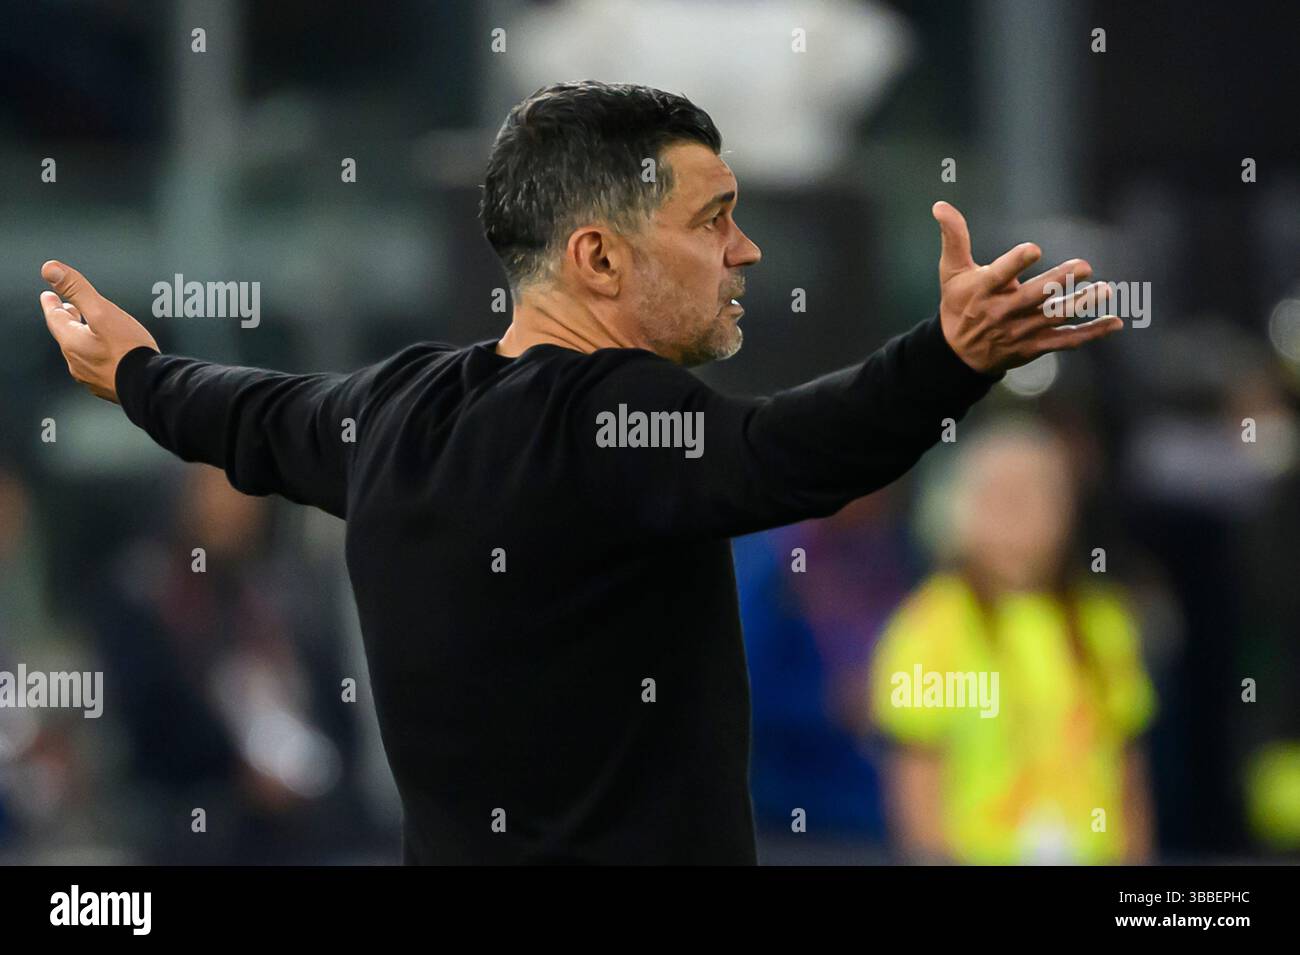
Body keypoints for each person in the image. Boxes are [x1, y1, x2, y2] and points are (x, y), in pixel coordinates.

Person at [38, 80, 1120, 864]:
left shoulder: (394, 409)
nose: (745, 251)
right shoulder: (613, 419)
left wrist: (136, 371)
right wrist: (949, 356)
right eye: (713, 219)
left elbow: (250, 416)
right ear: (598, 257)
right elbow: (787, 455)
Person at [868, 420, 1157, 864]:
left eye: (1037, 494)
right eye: (999, 495)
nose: (1018, 512)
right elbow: (918, 792)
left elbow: (1128, 779)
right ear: (957, 509)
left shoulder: (1104, 624)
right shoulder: (926, 630)